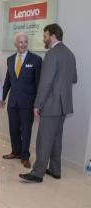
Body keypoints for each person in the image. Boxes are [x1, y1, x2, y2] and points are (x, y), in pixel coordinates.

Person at [19, 23, 77, 183]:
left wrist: (37, 104)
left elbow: (45, 83)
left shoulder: (52, 54)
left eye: (45, 36)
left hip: (51, 104)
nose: (43, 39)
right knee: (56, 138)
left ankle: (38, 173)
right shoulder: (70, 54)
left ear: (52, 36)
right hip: (64, 105)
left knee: (44, 139)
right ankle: (55, 169)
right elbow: (74, 79)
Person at [2, 33, 42, 169]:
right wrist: (2, 97)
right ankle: (16, 151)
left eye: (25, 42)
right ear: (15, 44)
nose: (23, 44)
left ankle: (25, 156)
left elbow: (38, 84)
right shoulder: (10, 59)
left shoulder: (36, 60)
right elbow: (8, 81)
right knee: (13, 129)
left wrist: (38, 103)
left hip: (28, 103)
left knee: (26, 130)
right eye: (20, 42)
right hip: (13, 102)